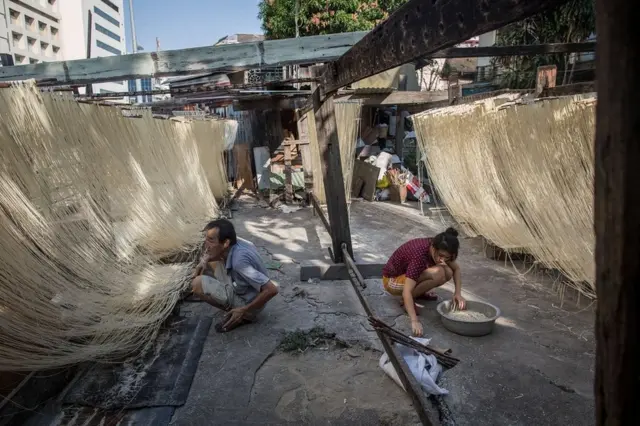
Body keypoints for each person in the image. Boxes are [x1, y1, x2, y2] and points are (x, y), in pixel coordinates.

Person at [191, 219, 279, 332]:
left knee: (197, 284)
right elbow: (211, 255)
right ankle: (237, 308)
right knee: (210, 261)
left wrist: (244, 309)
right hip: (245, 287)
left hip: (250, 302)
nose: (206, 244)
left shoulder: (239, 262)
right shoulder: (237, 242)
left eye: (211, 240)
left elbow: (272, 290)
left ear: (226, 243)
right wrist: (203, 262)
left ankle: (242, 315)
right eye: (206, 239)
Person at [382, 227, 466, 337]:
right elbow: (406, 291)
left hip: (408, 276)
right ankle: (406, 302)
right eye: (440, 256)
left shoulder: (441, 246)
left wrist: (458, 294)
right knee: (438, 271)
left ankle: (417, 294)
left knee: (448, 271)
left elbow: (456, 269)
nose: (442, 260)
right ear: (433, 248)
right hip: (391, 280)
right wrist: (414, 321)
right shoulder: (420, 255)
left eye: (447, 258)